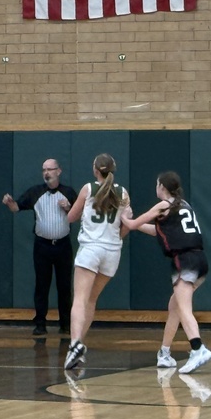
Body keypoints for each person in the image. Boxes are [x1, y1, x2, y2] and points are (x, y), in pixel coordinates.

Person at [128, 171, 211, 374]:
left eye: (157, 184)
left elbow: (133, 223)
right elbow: (156, 231)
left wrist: (125, 217)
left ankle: (198, 348)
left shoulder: (164, 205)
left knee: (184, 308)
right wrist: (136, 226)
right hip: (200, 260)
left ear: (162, 187)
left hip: (184, 260)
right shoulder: (183, 205)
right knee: (174, 306)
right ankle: (164, 353)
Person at [63, 153, 131, 371]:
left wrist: (70, 208)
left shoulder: (88, 189)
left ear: (95, 170)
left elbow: (71, 217)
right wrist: (114, 238)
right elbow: (128, 223)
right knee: (92, 300)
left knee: (80, 300)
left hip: (91, 249)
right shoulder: (123, 192)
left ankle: (75, 343)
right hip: (112, 253)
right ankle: (78, 346)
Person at [2, 158, 77, 336]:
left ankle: (65, 324)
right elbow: (16, 208)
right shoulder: (35, 192)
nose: (47, 173)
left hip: (63, 245)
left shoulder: (69, 192)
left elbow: (79, 214)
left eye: (50, 169)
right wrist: (9, 202)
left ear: (59, 171)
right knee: (41, 285)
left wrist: (69, 208)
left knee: (64, 286)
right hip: (42, 246)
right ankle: (40, 323)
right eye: (44, 170)